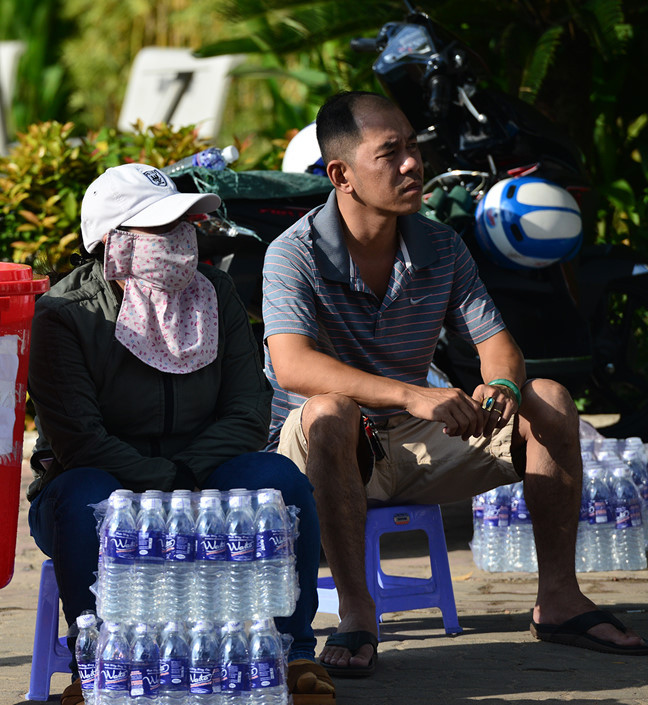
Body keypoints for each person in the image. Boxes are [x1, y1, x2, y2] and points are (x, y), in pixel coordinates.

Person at [262, 91, 648, 678]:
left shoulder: (441, 244)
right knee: (330, 410)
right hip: (323, 451)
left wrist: (502, 393)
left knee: (549, 398)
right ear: (340, 174)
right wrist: (413, 393)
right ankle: (358, 616)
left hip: (417, 443)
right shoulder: (294, 253)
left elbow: (498, 348)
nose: (413, 164)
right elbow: (293, 365)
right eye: (390, 153)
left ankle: (559, 600)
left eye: (414, 147)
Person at [27, 163, 335, 705]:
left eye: (184, 224)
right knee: (81, 499)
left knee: (281, 481)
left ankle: (293, 652)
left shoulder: (216, 292)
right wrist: (160, 480)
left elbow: (247, 410)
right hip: (102, 480)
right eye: (160, 229)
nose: (181, 239)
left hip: (205, 472)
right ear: (111, 240)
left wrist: (188, 475)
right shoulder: (61, 314)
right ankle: (94, 665)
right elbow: (78, 439)